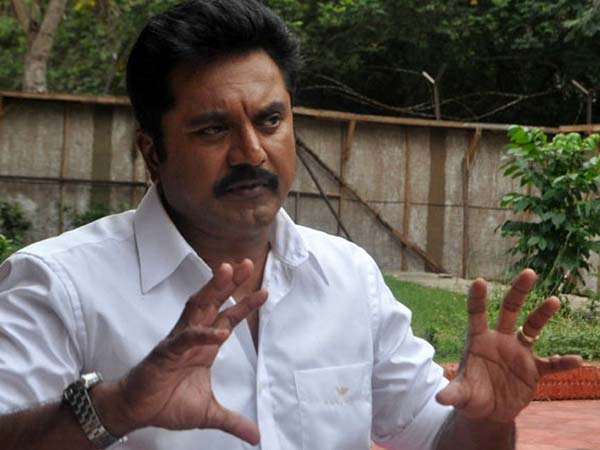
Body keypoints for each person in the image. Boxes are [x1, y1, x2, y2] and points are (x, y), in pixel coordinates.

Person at [0, 1, 583, 449]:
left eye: (270, 120)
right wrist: (117, 407)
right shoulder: (58, 285)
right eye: (213, 129)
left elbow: (439, 439)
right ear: (152, 152)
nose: (251, 152)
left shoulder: (347, 277)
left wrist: (487, 418)